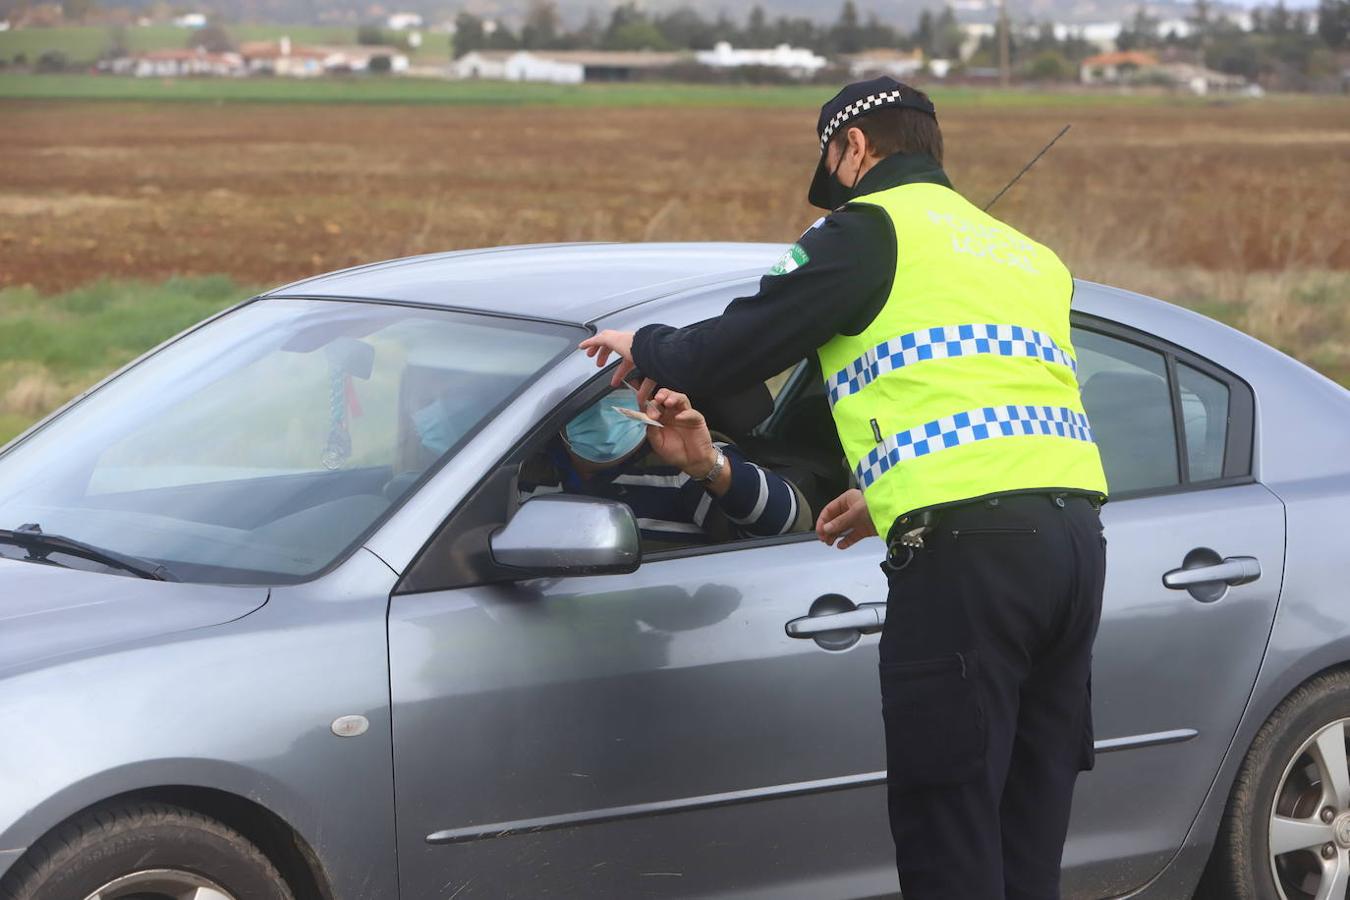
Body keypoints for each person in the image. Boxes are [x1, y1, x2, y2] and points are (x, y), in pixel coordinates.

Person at [579, 76, 1109, 900]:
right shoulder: (1027, 255)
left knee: (951, 822)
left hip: (973, 562)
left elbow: (742, 344)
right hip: (1075, 547)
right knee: (1025, 826)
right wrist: (892, 487)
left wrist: (648, 346)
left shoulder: (867, 230)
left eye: (836, 166)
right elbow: (998, 405)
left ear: (854, 148)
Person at [518, 386, 811, 551]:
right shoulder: (524, 465)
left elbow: (791, 525)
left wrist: (707, 466)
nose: (601, 409)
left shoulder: (682, 460)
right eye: (586, 395)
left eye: (617, 387)